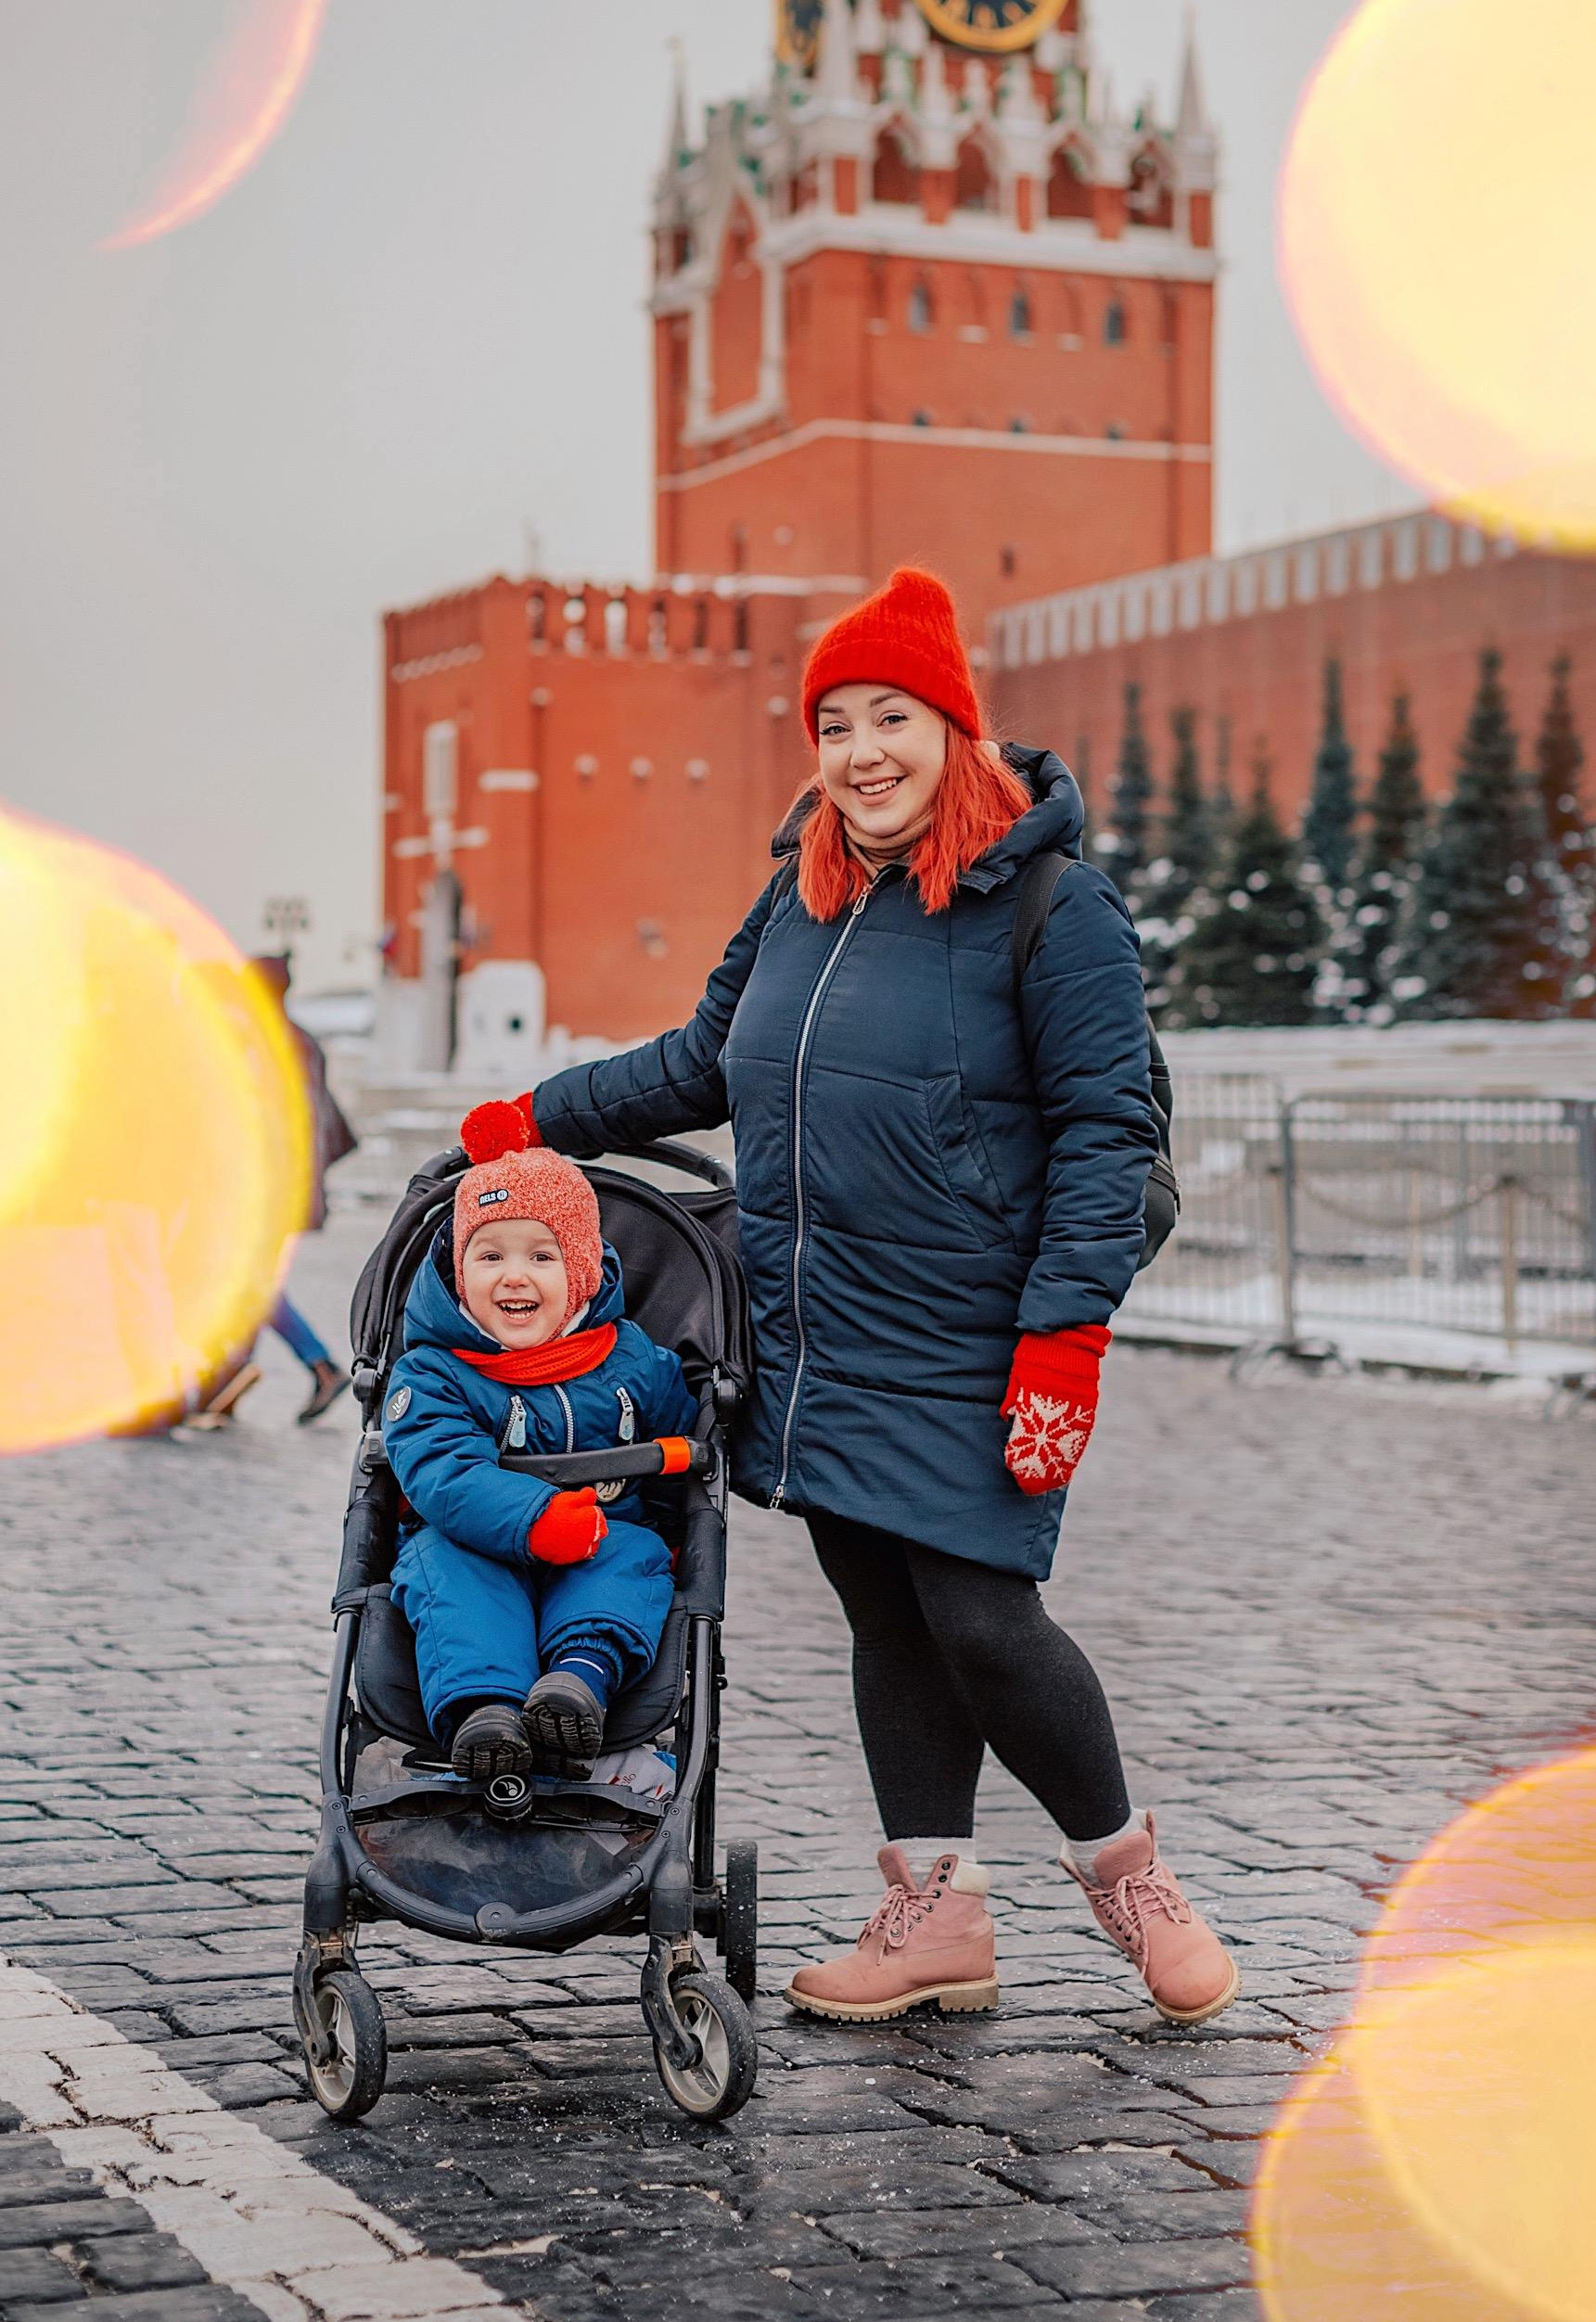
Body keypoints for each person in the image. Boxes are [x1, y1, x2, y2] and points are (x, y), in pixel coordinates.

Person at [458, 566, 1236, 2026]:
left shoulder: (1053, 909)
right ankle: (932, 1918)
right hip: (818, 1334)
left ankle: (1127, 1876)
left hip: (972, 1338)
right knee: (883, 1619)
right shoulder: (800, 896)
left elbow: (1104, 1132)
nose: (862, 751)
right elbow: (701, 1064)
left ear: (953, 730)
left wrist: (1060, 1345)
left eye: (892, 716)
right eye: (833, 723)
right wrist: (532, 1117)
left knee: (987, 1622)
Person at [381, 1142, 699, 1779]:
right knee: (450, 1574)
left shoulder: (632, 1360)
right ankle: (486, 1713)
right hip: (473, 1540)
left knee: (632, 1558)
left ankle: (575, 1684)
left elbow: (684, 1449)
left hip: (599, 1535)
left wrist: (677, 1522)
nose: (514, 1276)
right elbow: (444, 1474)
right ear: (457, 1271)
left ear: (580, 1271)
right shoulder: (434, 1372)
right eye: (490, 1256)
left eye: (541, 1256)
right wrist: (534, 1519)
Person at [193, 955, 357, 1427]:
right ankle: (228, 1378)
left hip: (269, 1186)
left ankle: (319, 1366)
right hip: (289, 1183)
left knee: (249, 1283)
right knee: (251, 1282)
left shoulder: (264, 1042)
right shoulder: (302, 1039)